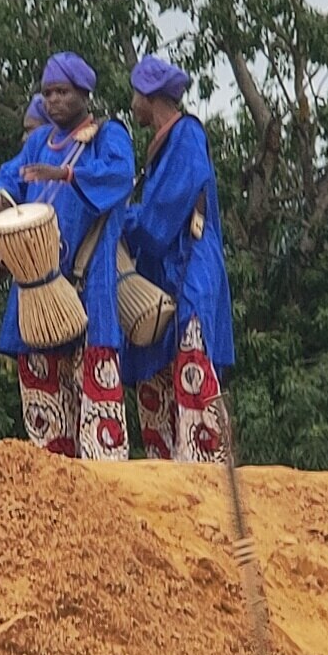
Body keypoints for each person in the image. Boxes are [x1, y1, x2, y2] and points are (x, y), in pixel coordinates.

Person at [0, 52, 135, 459]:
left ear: (84, 93)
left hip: (87, 277)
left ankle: (103, 486)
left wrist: (69, 174)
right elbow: (7, 177)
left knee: (94, 390)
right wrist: (0, 204)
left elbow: (120, 176)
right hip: (36, 285)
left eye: (63, 92)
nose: (53, 101)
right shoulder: (38, 141)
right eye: (48, 93)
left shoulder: (109, 135)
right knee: (43, 393)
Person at [119, 57, 235, 461]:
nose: (132, 102)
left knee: (191, 359)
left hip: (189, 271)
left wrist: (122, 217)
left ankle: (205, 463)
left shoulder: (185, 135)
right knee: (156, 370)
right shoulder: (162, 143)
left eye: (135, 94)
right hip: (164, 272)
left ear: (150, 97)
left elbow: (160, 218)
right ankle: (166, 464)